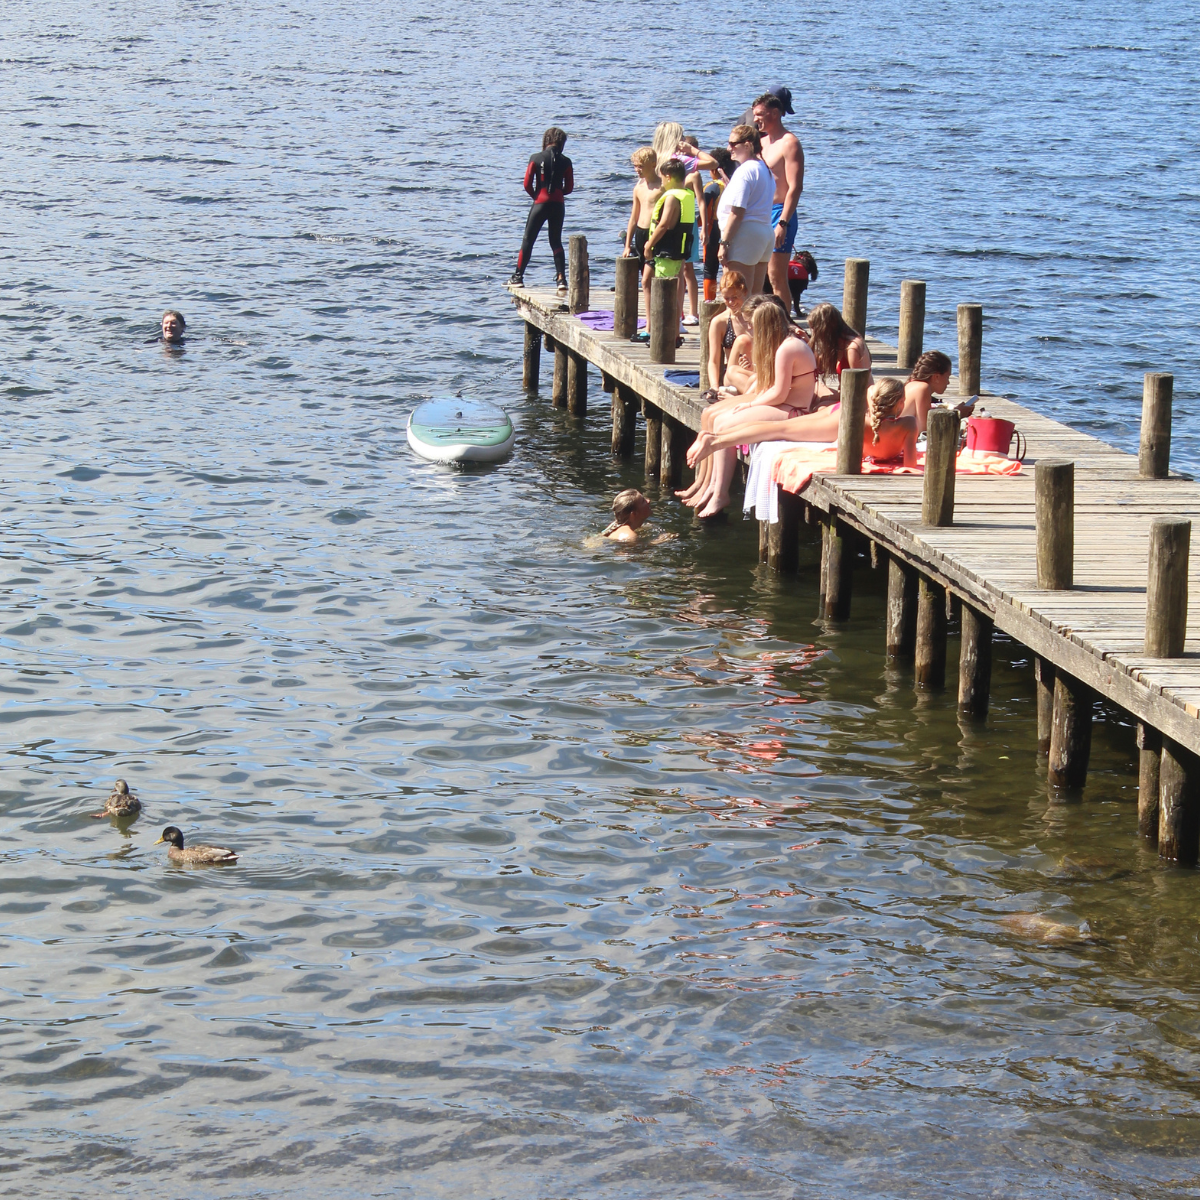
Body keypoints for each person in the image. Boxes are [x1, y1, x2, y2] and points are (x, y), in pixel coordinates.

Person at [684, 302, 818, 517]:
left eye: (753, 325)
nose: (750, 329)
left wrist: (750, 404)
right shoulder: (782, 344)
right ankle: (713, 486)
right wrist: (746, 401)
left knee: (725, 425)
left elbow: (779, 394)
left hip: (794, 409)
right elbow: (770, 386)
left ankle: (721, 494)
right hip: (783, 404)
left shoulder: (788, 347)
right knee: (719, 420)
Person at [686, 375, 918, 479]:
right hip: (839, 422)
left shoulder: (869, 417)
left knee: (779, 427)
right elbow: (910, 466)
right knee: (778, 430)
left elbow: (870, 391)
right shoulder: (908, 425)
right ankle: (715, 441)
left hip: (842, 415)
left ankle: (715, 435)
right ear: (899, 402)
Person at [751, 93, 804, 307]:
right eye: (754, 114)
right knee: (757, 272)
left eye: (759, 114)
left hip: (779, 212)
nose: (755, 119)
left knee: (776, 276)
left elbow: (795, 187)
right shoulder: (760, 141)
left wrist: (783, 222)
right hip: (759, 212)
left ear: (774, 113)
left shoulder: (789, 143)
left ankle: (784, 322)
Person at [509, 127, 573, 292]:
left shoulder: (535, 158)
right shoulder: (566, 161)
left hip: (540, 203)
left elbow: (526, 184)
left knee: (528, 240)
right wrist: (558, 194)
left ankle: (518, 277)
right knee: (556, 241)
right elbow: (569, 188)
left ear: (546, 140)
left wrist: (537, 196)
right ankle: (561, 279)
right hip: (558, 204)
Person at [640, 158, 695, 345]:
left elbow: (664, 225)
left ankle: (667, 336)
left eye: (662, 177)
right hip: (678, 250)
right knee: (670, 292)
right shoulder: (687, 194)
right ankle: (673, 334)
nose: (661, 181)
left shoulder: (671, 197)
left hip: (667, 251)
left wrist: (649, 245)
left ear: (669, 177)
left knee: (665, 294)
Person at [716, 125, 775, 298]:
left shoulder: (745, 170)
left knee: (737, 297)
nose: (729, 149)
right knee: (754, 297)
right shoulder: (764, 168)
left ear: (748, 145)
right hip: (764, 233)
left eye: (733, 144)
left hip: (745, 235)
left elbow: (737, 212)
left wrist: (724, 243)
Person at [701, 269, 750, 402]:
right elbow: (714, 360)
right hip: (733, 375)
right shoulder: (719, 322)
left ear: (745, 292)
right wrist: (714, 387)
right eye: (726, 298)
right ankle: (755, 398)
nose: (731, 302)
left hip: (754, 371)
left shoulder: (756, 317)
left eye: (735, 297)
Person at [807, 301, 872, 401]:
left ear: (824, 329)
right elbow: (818, 365)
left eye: (814, 329)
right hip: (844, 394)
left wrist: (832, 398)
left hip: (856, 401)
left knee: (819, 404)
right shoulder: (839, 342)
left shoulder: (852, 349)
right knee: (814, 390)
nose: (814, 334)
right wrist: (806, 341)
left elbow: (859, 388)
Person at [622, 146, 662, 284]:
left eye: (641, 166)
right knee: (643, 274)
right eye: (635, 166)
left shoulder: (662, 186)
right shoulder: (638, 188)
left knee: (651, 278)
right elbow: (634, 217)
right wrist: (627, 245)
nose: (637, 170)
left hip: (654, 232)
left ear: (653, 165)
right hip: (640, 232)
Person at [678, 135, 706, 325]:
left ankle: (693, 312)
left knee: (688, 268)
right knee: (676, 268)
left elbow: (701, 202)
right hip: (675, 223)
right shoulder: (673, 172)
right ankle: (677, 310)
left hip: (689, 224)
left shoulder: (694, 175)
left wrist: (705, 227)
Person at [701, 147, 734, 301]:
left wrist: (700, 225)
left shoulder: (712, 186)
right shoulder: (735, 183)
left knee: (710, 268)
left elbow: (705, 210)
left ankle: (709, 301)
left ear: (714, 169)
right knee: (730, 265)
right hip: (733, 227)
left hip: (714, 228)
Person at [903, 350, 954, 433]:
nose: (948, 382)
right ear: (936, 377)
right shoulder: (923, 388)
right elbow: (924, 430)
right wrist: (957, 415)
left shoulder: (911, 383)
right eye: (947, 377)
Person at [787, 250, 818, 318]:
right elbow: (796, 295)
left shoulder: (788, 265)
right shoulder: (803, 274)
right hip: (798, 280)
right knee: (796, 294)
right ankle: (797, 312)